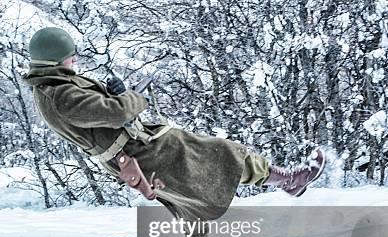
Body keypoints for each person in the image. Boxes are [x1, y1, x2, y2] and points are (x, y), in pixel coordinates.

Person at [22, 27, 326, 222]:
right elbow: (116, 114)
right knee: (222, 153)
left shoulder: (55, 85)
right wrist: (129, 96)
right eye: (69, 58)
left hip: (140, 148)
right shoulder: (59, 94)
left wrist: (112, 94)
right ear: (54, 60)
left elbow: (100, 114)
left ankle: (285, 182)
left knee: (197, 181)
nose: (74, 62)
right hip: (138, 154)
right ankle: (289, 180)